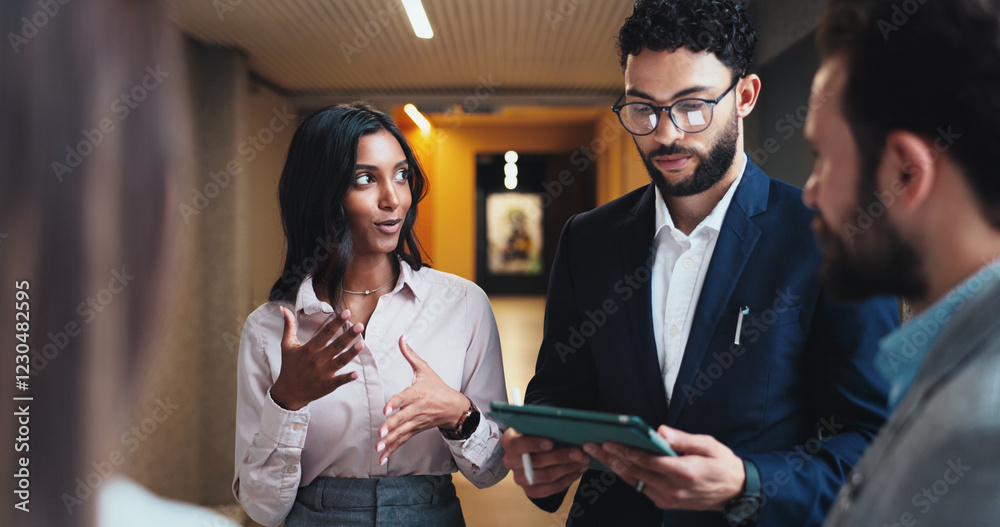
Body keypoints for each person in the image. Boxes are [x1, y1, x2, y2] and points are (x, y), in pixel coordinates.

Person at [499, 1, 900, 525]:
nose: (665, 134)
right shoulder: (587, 241)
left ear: (746, 96)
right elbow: (558, 392)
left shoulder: (828, 238)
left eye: (692, 106)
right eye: (642, 109)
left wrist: (745, 482)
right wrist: (538, 454)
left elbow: (875, 443)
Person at [233, 102, 508, 527]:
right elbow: (262, 509)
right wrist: (287, 401)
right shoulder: (270, 328)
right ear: (320, 194)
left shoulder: (463, 306)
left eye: (401, 175)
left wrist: (460, 415)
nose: (393, 198)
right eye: (365, 179)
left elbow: (492, 470)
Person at [802, 1, 1000, 525]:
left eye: (823, 157)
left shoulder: (982, 440)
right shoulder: (942, 369)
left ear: (907, 174)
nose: (810, 192)